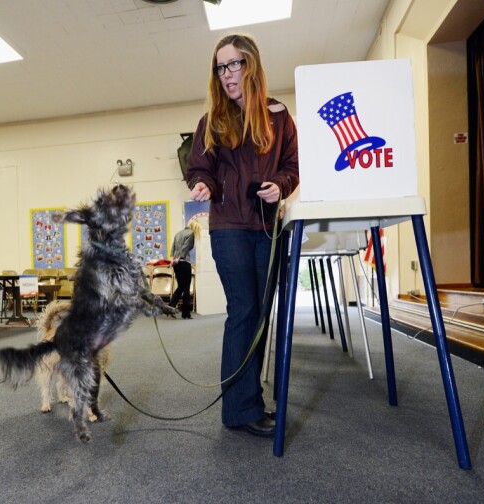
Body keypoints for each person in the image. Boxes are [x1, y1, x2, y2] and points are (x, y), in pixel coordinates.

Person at [185, 34, 300, 437]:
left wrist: (280, 186)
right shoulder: (212, 121)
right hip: (230, 227)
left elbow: (292, 166)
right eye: (220, 67)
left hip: (268, 227)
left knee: (261, 315)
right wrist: (203, 185)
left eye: (233, 64)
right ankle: (239, 410)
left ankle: (251, 401)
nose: (226, 74)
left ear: (251, 65)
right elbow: (201, 169)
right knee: (242, 312)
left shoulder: (279, 115)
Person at [169, 220, 201, 319]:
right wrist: (180, 257)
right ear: (195, 227)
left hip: (176, 264)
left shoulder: (178, 233)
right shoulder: (191, 233)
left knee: (181, 287)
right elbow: (185, 247)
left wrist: (174, 260)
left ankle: (170, 308)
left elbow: (172, 248)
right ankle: (185, 313)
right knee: (186, 288)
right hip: (184, 262)